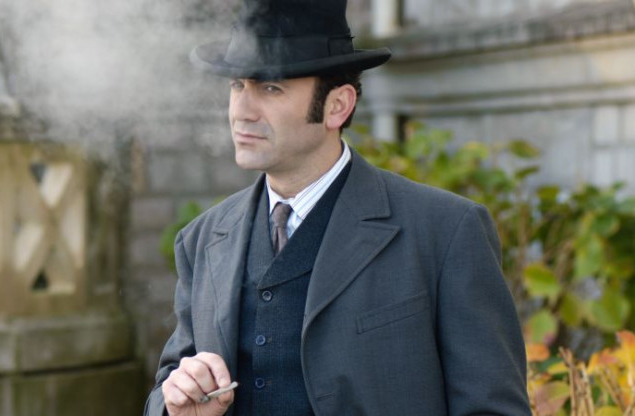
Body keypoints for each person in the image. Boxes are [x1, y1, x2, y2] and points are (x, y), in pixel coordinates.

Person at [144, 0, 531, 414]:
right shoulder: (202, 240)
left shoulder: (445, 231)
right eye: (238, 85)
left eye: (271, 88)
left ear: (337, 106)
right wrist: (174, 407)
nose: (242, 111)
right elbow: (168, 388)